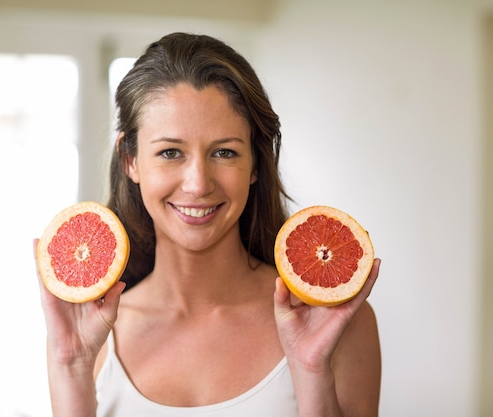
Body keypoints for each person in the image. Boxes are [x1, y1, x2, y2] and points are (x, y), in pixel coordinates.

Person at [34, 32, 382, 417]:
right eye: (170, 152)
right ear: (130, 160)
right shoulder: (90, 337)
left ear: (254, 164)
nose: (198, 183)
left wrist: (311, 370)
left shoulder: (334, 324)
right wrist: (70, 368)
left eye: (224, 152)